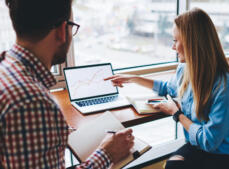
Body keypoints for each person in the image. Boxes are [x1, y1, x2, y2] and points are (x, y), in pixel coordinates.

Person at [104, 8, 229, 169]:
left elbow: (209, 142)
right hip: (199, 144)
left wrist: (177, 114)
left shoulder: (224, 85)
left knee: (174, 167)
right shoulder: (185, 69)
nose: (173, 47)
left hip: (228, 154)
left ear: (192, 44)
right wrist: (134, 79)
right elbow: (168, 88)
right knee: (172, 166)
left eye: (175, 41)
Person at [0, 0, 134, 168]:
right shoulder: (32, 102)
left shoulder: (7, 68)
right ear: (62, 31)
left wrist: (55, 132)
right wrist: (107, 153)